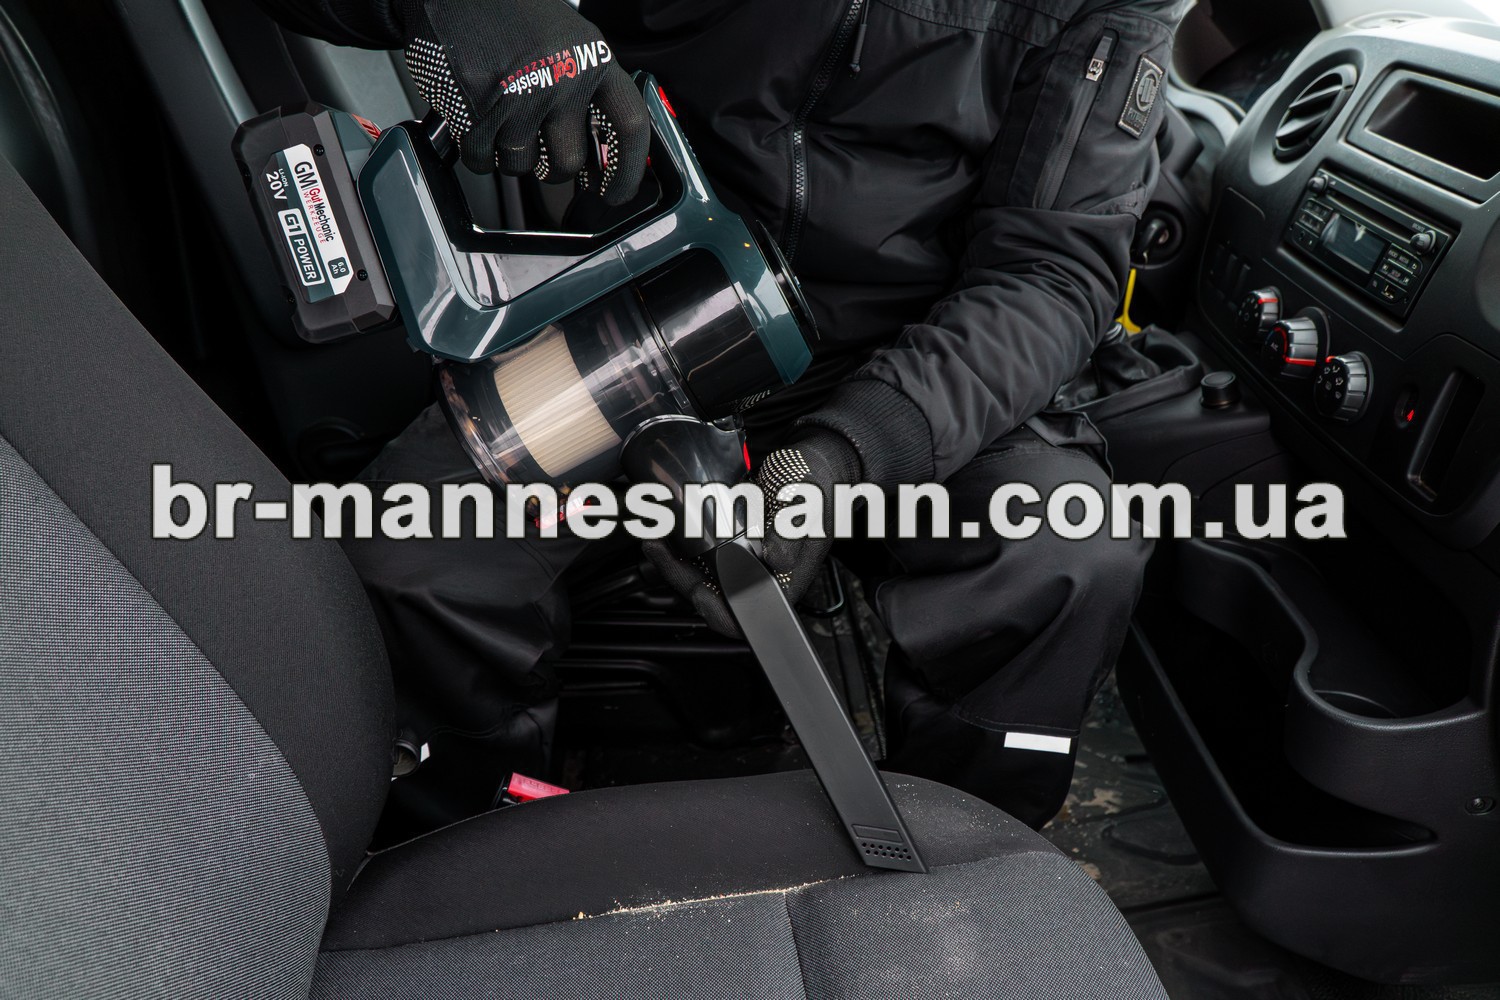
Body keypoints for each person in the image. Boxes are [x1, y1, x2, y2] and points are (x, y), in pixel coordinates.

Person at [251, 0, 1188, 828]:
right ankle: (468, 857)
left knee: (1063, 552)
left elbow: (1050, 273)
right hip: (643, 314)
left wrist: (853, 451)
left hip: (909, 356)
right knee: (414, 555)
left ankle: (967, 872)